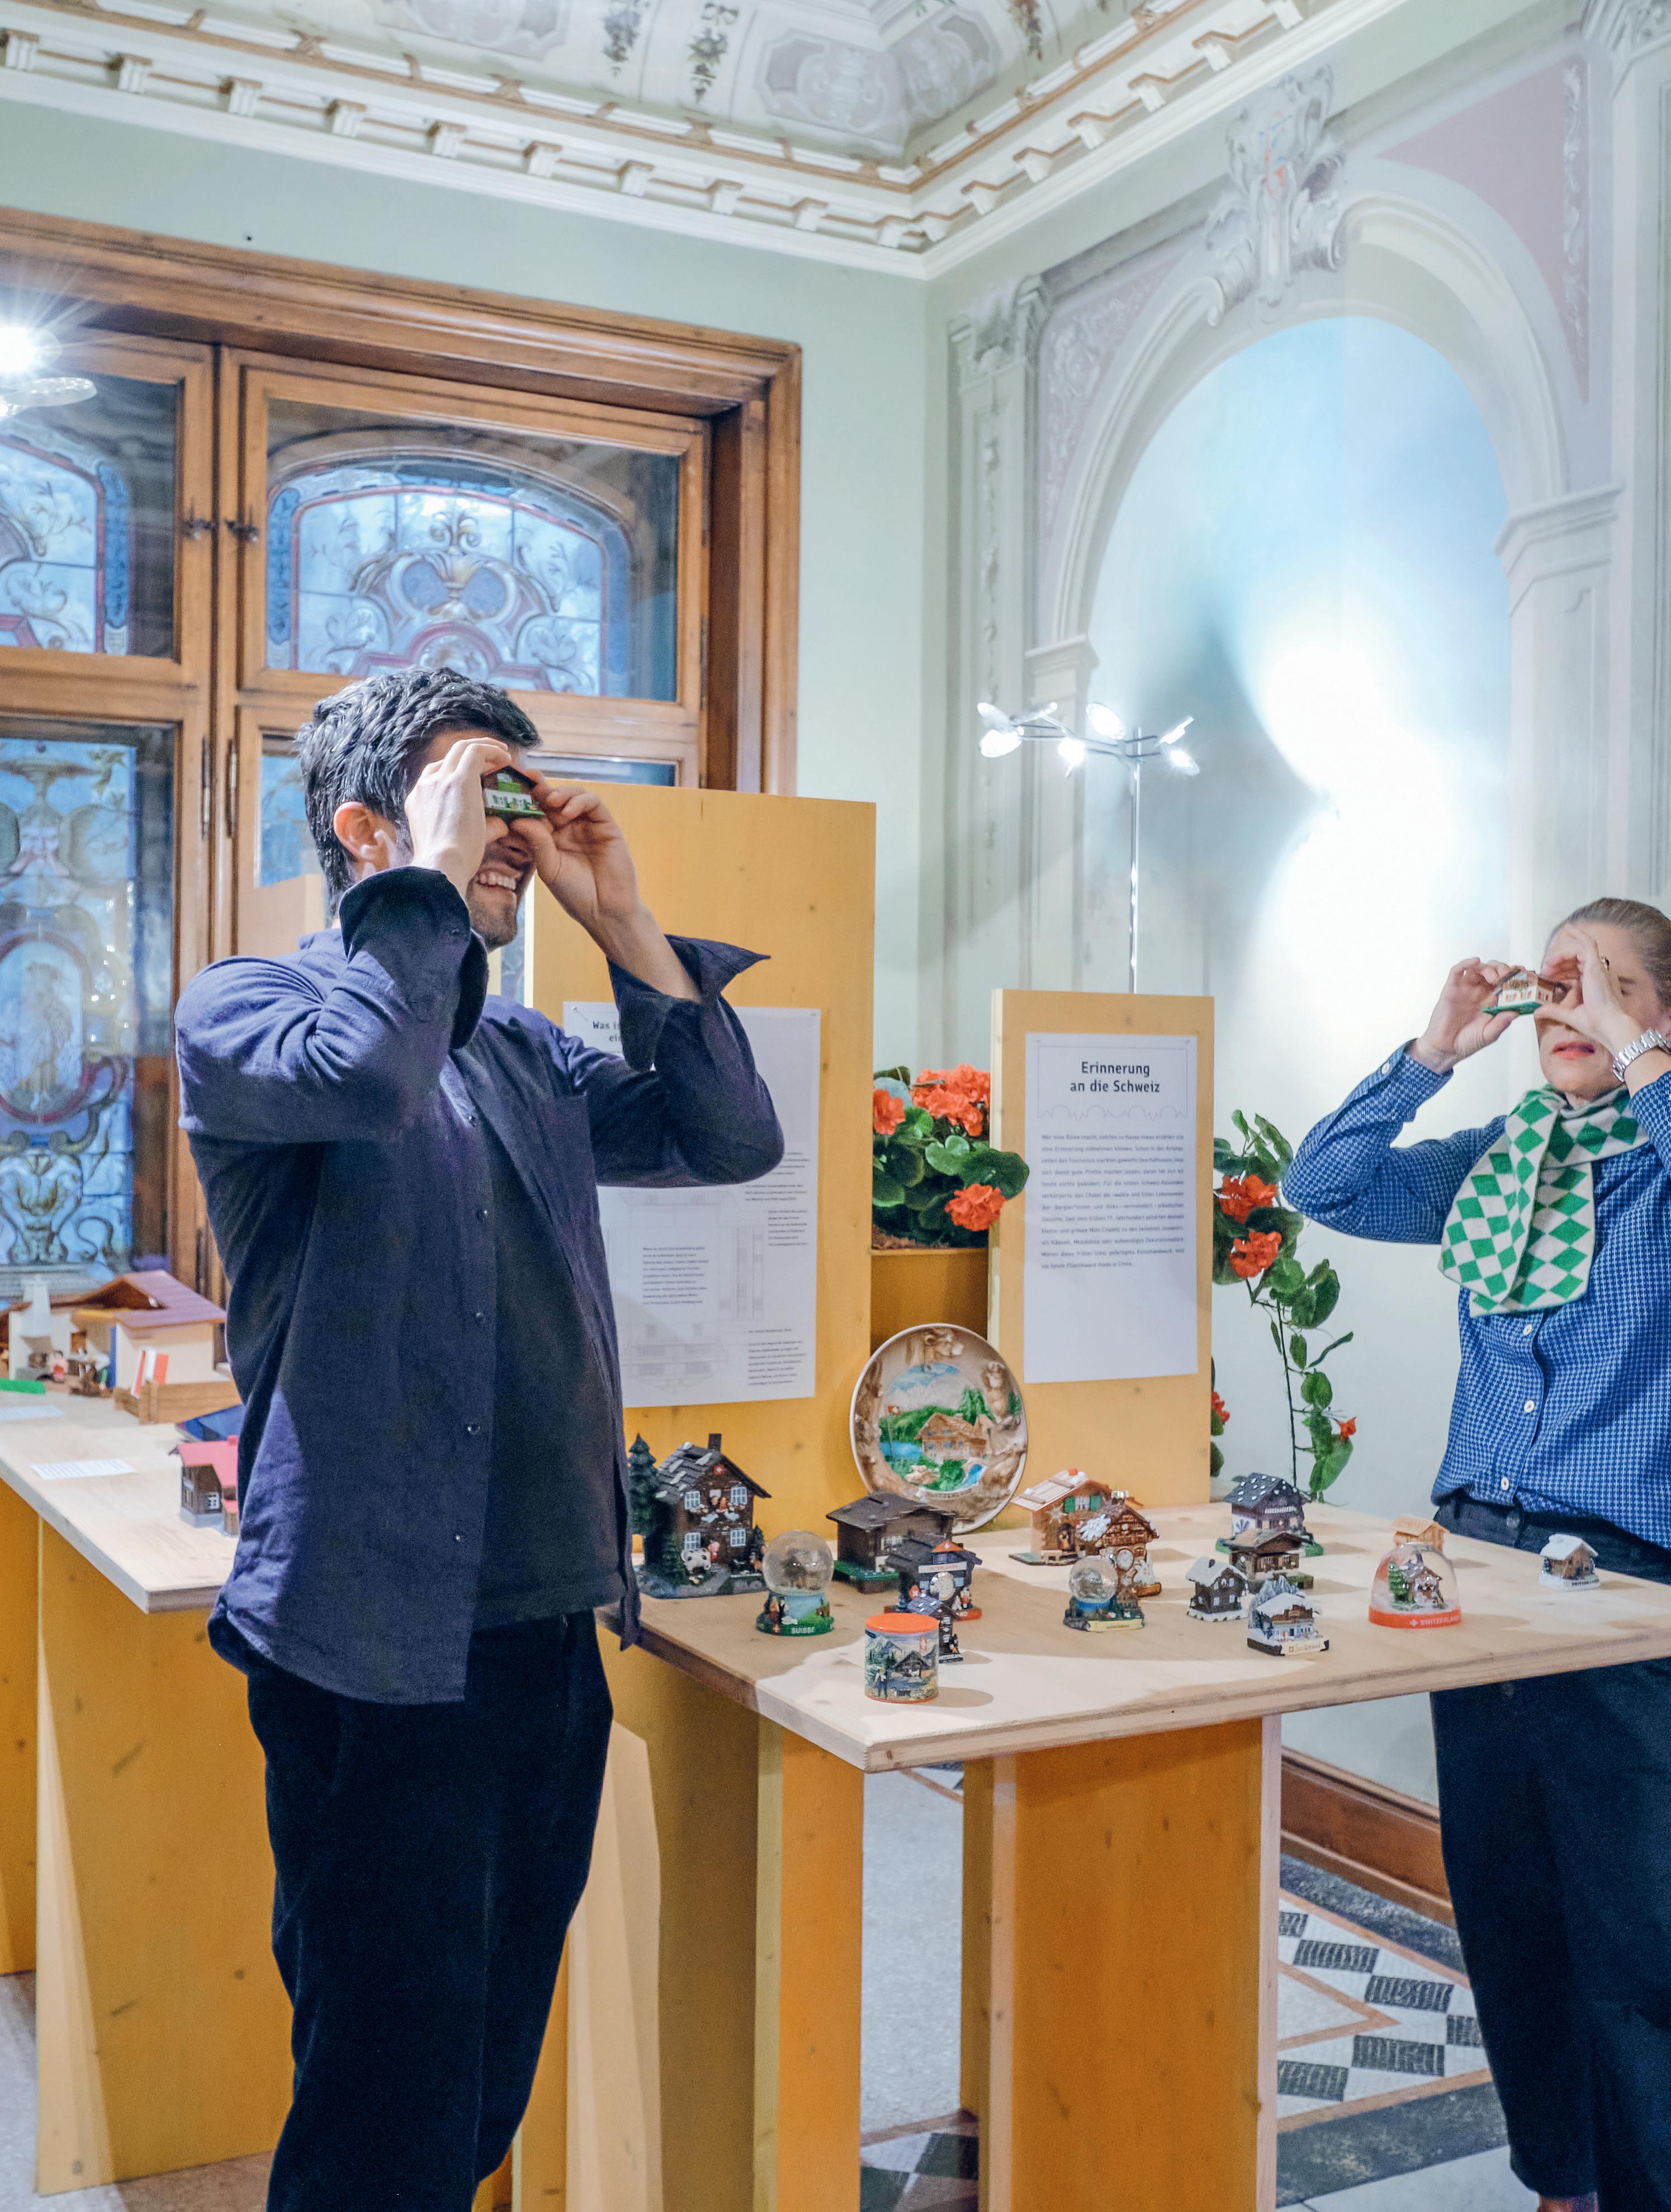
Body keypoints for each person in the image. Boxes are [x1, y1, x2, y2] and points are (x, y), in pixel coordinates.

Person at [173, 667, 783, 2211]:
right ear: (360, 828)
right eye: (472, 793)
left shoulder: (523, 1057)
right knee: (381, 2102)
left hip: (541, 1628)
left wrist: (623, 920)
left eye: (521, 796)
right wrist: (434, 879)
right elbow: (372, 1072)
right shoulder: (248, 1011)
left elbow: (728, 1138)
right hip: (370, 1644)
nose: (512, 826)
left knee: (483, 2082)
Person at [1284, 897, 1671, 2212]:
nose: (1571, 1007)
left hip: (1624, 1583)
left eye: (1609, 984)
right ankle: (1560, 2180)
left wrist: (1639, 1053)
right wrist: (1434, 1048)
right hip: (1475, 1564)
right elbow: (1324, 1184)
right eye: (1557, 983)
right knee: (1507, 1911)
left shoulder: (1659, 1161)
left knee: (1640, 1933)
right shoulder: (1504, 1162)